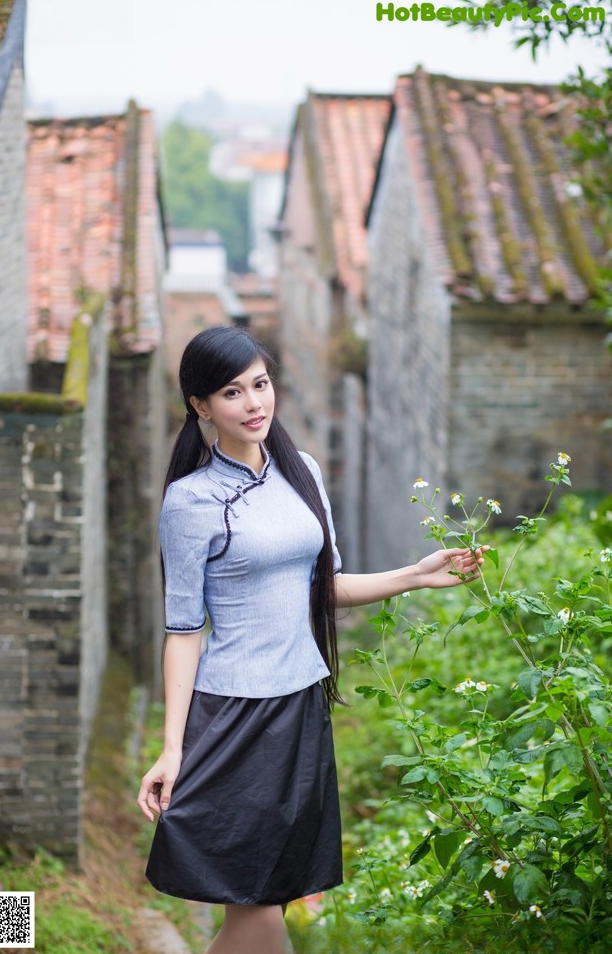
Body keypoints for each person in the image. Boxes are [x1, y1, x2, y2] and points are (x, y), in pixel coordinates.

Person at [137, 325, 486, 954]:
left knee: (261, 909)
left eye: (261, 384)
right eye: (232, 392)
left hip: (300, 708)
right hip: (234, 716)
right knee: (260, 912)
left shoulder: (303, 474)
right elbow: (183, 631)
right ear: (200, 406)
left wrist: (416, 575)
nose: (254, 403)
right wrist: (171, 748)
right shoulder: (190, 502)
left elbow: (321, 588)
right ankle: (3, 929)